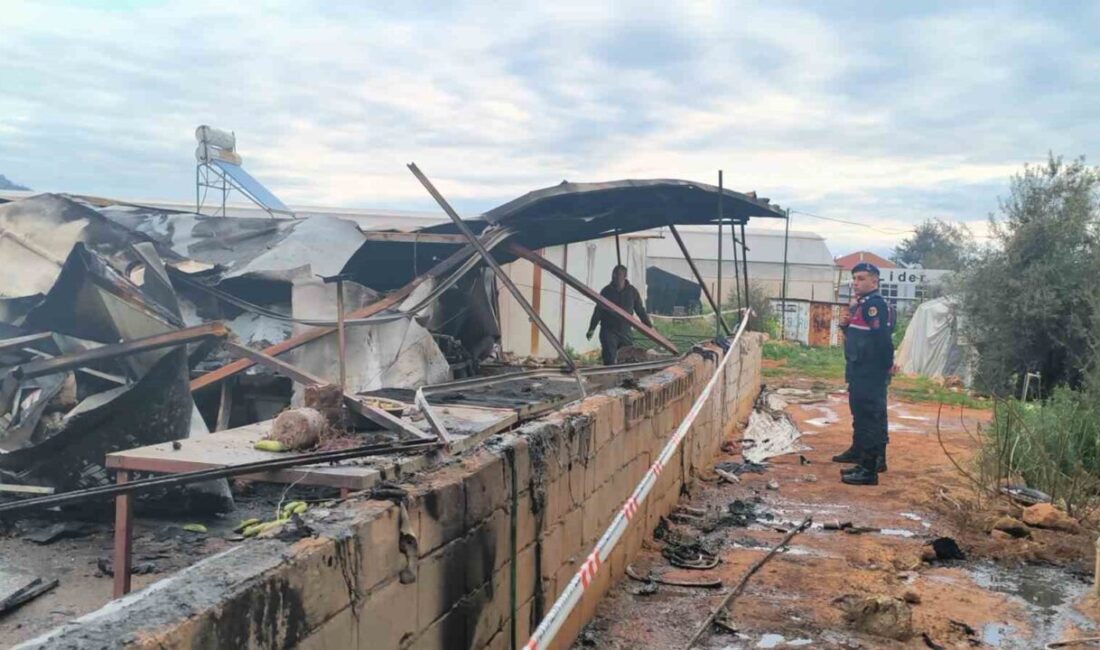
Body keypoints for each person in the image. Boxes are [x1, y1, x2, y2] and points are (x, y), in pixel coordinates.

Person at [833, 262, 895, 486]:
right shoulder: (860, 305)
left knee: (871, 416)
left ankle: (869, 468)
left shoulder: (874, 305)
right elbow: (859, 338)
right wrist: (845, 327)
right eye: (854, 279)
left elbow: (883, 340)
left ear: (874, 281)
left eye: (861, 278)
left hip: (870, 370)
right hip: (858, 367)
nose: (855, 283)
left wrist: (886, 366)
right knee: (860, 413)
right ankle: (861, 454)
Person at [586, 265, 652, 365]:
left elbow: (640, 310)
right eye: (613, 274)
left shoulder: (632, 292)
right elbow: (598, 311)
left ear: (624, 276)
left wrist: (649, 326)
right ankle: (610, 378)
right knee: (610, 360)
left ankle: (625, 380)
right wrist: (592, 328)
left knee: (627, 359)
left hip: (625, 331)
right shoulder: (606, 291)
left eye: (618, 274)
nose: (614, 276)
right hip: (609, 331)